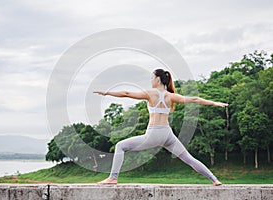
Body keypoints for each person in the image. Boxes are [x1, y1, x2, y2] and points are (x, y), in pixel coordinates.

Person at [94, 69, 228, 186]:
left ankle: (113, 177)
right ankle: (214, 180)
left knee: (120, 146)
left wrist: (107, 93)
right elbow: (195, 99)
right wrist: (214, 103)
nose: (151, 80)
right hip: (167, 135)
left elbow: (127, 93)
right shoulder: (171, 96)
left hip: (153, 135)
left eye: (152, 78)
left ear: (158, 79)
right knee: (189, 159)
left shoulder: (150, 94)